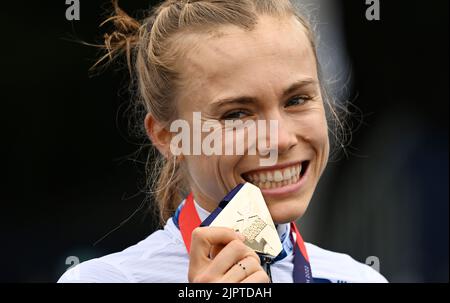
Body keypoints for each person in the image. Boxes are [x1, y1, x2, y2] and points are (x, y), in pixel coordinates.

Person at [58, 0, 387, 283]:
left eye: (297, 100)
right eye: (237, 115)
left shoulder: (361, 278)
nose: (280, 140)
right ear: (169, 136)